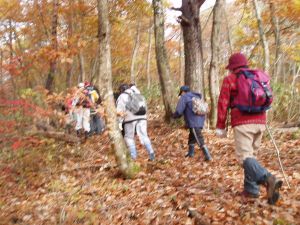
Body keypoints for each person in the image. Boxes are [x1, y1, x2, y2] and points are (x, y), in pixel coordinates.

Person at [216, 52, 282, 204]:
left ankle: (268, 179)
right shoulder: (259, 76)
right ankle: (251, 190)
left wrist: (221, 126)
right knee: (251, 156)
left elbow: (223, 103)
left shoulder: (230, 79)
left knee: (245, 158)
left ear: (232, 67)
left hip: (242, 122)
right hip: (260, 121)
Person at [116, 84, 155, 161]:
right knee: (144, 135)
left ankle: (133, 156)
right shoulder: (139, 94)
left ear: (121, 90)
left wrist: (119, 122)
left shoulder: (122, 96)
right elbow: (145, 108)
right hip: (143, 117)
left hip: (130, 119)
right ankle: (151, 151)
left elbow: (119, 111)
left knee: (129, 137)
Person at [173, 85, 212, 161]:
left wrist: (174, 116)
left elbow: (179, 111)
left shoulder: (184, 97)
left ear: (183, 92)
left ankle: (208, 156)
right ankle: (191, 153)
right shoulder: (196, 97)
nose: (181, 95)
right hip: (200, 120)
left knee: (198, 137)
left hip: (193, 121)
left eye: (181, 93)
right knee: (192, 135)